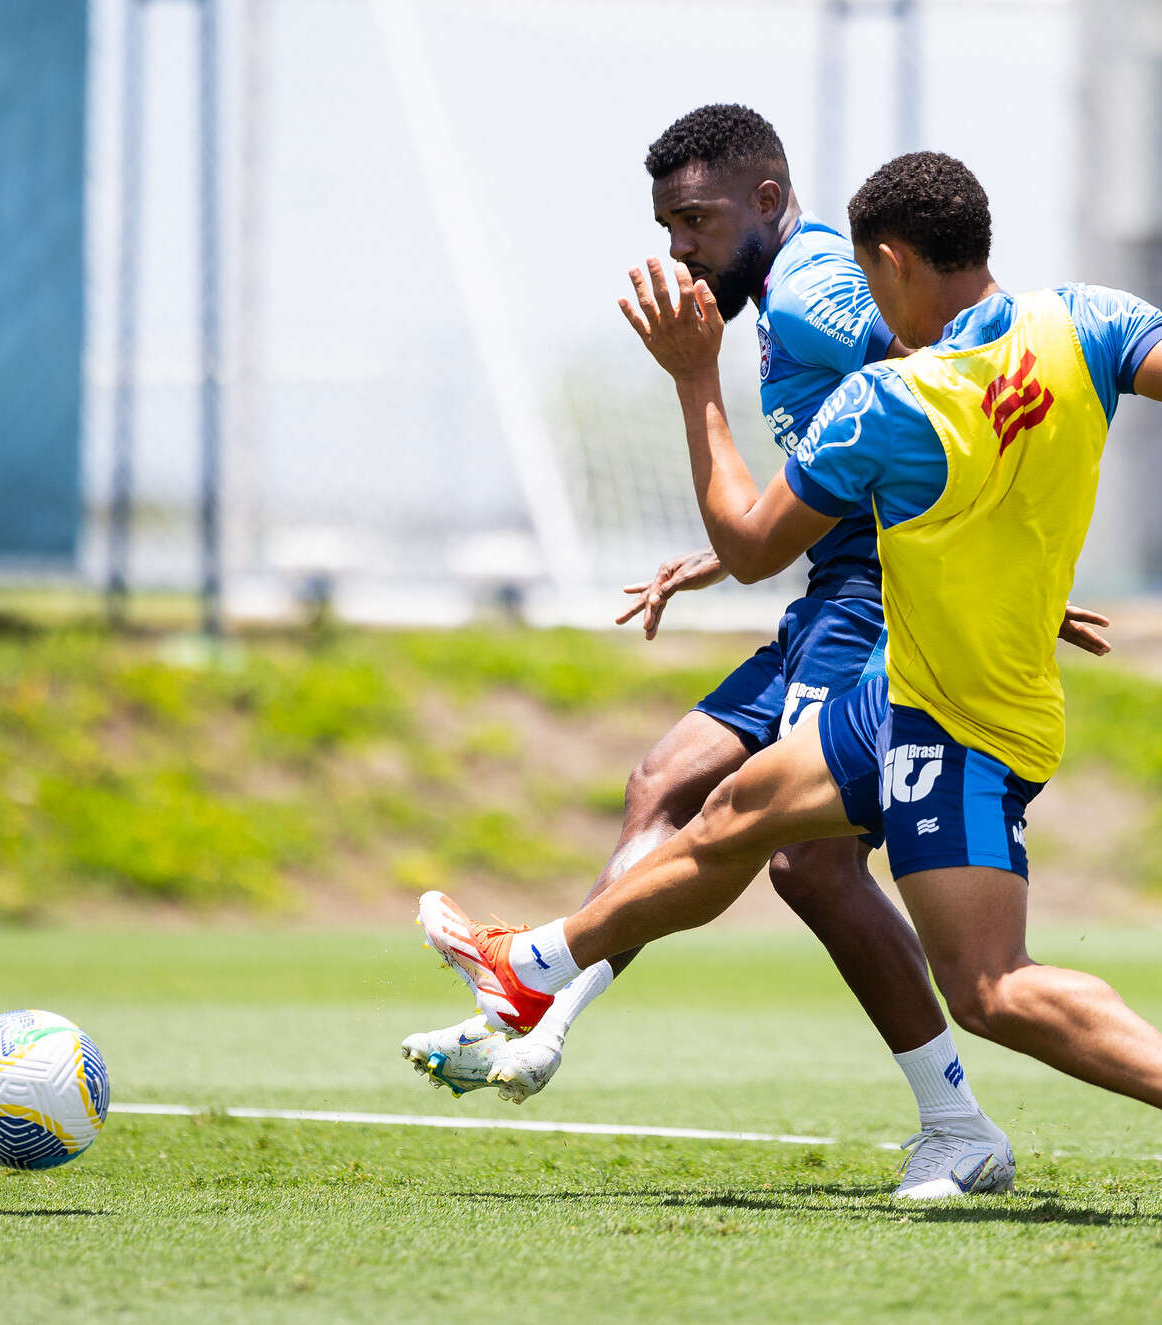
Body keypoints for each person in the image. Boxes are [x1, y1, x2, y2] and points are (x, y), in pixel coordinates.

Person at [421, 151, 1162, 1227]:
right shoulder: (1087, 321)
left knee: (992, 988)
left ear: (893, 262)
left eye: (867, 279)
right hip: (903, 690)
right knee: (732, 814)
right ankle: (533, 970)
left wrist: (694, 382)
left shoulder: (889, 403)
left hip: (961, 724)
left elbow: (755, 545)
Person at [402, 107, 1103, 1199]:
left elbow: (948, 379)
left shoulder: (820, 284)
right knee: (664, 779)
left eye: (695, 220)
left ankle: (954, 1124)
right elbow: (861, 454)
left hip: (878, 604)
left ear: (767, 202)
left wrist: (1000, 554)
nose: (678, 246)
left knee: (807, 861)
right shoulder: (784, 295)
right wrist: (715, 554)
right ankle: (537, 1008)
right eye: (665, 224)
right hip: (828, 596)